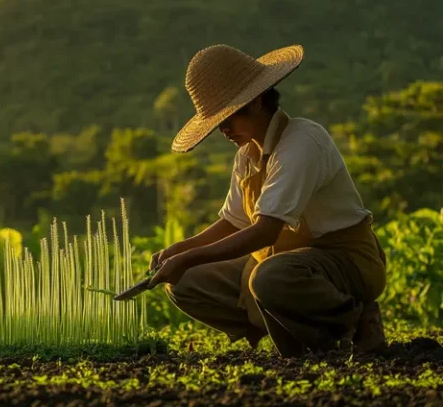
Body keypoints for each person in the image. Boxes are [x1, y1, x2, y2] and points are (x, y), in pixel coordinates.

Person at [148, 44, 387, 357]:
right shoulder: (247, 155)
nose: (224, 130)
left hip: (342, 261)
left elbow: (264, 232)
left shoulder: (302, 142)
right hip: (280, 263)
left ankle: (354, 322)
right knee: (185, 282)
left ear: (257, 102)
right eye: (218, 123)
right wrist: (181, 250)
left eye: (228, 118)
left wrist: (189, 257)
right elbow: (233, 221)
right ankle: (288, 327)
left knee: (271, 278)